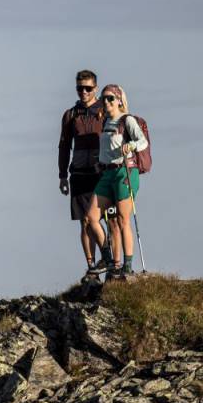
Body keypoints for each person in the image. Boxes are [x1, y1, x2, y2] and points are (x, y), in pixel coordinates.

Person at [58, 70, 118, 277]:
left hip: (102, 172)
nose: (83, 92)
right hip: (78, 174)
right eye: (79, 88)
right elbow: (64, 146)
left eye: (88, 88)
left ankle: (114, 265)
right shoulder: (70, 114)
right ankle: (92, 268)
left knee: (111, 220)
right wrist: (62, 176)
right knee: (85, 222)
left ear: (95, 88)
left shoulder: (105, 110)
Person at [84, 84, 147, 280]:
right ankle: (109, 259)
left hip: (125, 172)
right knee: (90, 218)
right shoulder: (105, 122)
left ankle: (127, 266)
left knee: (122, 219)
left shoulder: (127, 120)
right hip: (107, 173)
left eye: (111, 98)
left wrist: (132, 145)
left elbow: (142, 141)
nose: (107, 102)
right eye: (104, 98)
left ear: (120, 100)